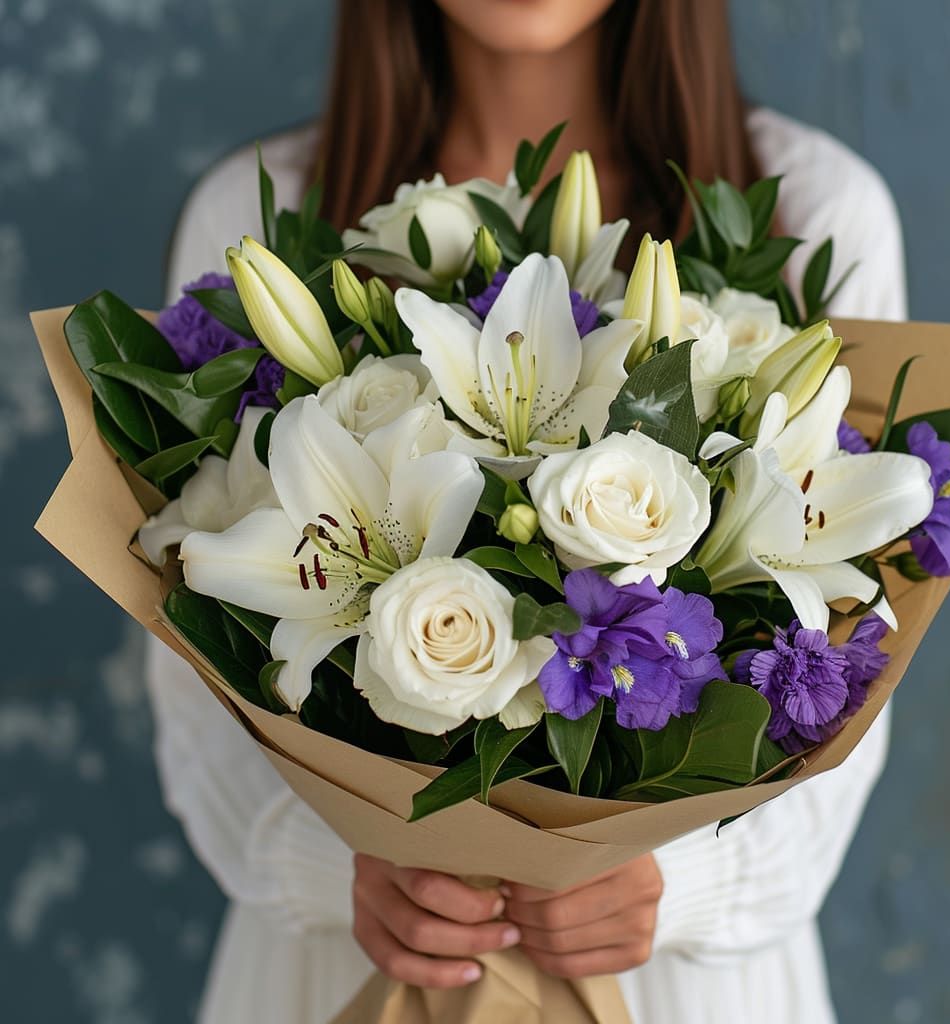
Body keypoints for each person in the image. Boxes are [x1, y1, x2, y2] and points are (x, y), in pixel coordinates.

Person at [148, 1, 907, 1021]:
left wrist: (681, 885)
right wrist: (343, 869)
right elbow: (190, 671)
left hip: (682, 979)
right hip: (349, 960)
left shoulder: (816, 211)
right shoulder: (258, 215)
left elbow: (853, 688)